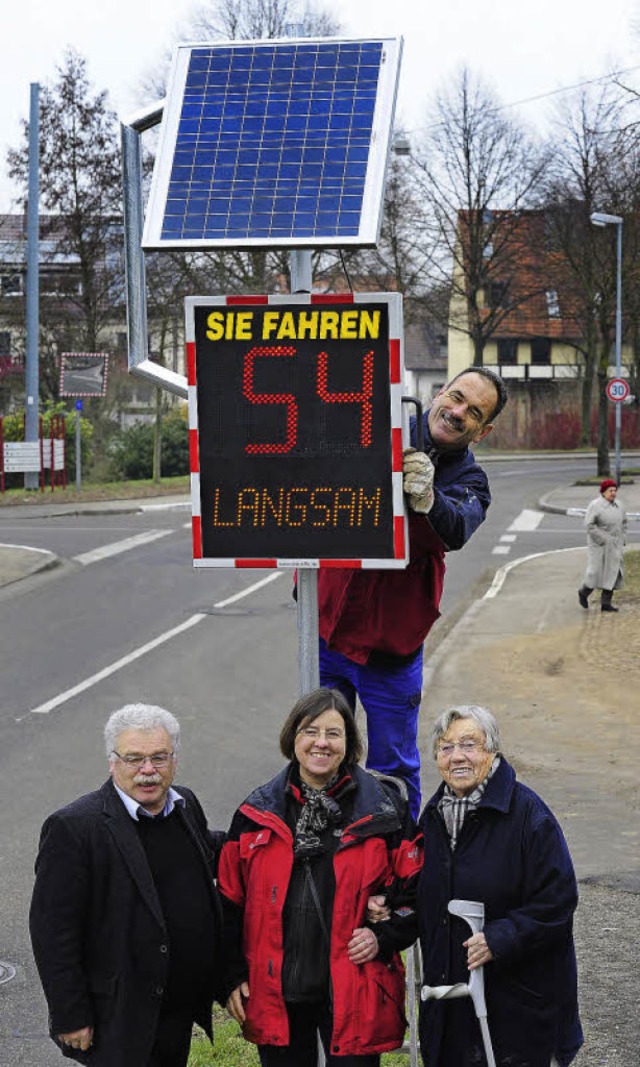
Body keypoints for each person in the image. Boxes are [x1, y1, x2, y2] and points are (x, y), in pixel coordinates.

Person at [318, 367, 508, 817]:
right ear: (440, 392)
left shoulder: (471, 483)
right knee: (321, 754)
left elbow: (456, 525)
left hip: (391, 649)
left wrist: (427, 499)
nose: (458, 412)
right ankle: (323, 850)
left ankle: (398, 863)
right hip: (327, 631)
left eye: (473, 411)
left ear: (483, 430)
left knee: (393, 770)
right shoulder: (376, 426)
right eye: (457, 397)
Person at [218, 687, 422, 1067]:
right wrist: (230, 976)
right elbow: (229, 902)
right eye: (310, 731)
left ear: (349, 742)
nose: (321, 743)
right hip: (276, 989)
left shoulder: (385, 809)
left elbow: (418, 891)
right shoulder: (255, 812)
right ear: (292, 737)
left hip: (356, 989)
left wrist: (384, 933)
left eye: (333, 733)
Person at [30, 704, 225, 1067]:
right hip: (119, 1016)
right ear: (112, 762)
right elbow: (53, 932)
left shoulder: (185, 804)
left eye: (159, 757)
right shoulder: (74, 829)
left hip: (176, 1011)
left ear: (174, 760)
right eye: (134, 758)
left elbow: (207, 849)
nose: (148, 771)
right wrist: (70, 1014)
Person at [415, 704, 583, 1067]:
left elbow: (558, 901)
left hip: (521, 1016)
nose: (456, 756)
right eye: (445, 747)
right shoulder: (432, 819)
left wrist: (500, 937)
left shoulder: (528, 817)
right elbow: (420, 898)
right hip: (453, 1017)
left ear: (492, 752)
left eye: (469, 744)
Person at [578, 478, 627, 612]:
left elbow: (624, 522)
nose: (613, 493)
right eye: (610, 490)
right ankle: (583, 592)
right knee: (595, 572)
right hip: (599, 545)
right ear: (603, 492)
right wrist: (603, 538)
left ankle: (606, 603)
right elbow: (589, 525)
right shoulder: (595, 505)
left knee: (613, 573)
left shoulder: (619, 505)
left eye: (615, 490)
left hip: (615, 545)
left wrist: (622, 538)